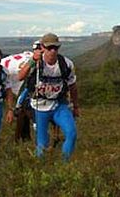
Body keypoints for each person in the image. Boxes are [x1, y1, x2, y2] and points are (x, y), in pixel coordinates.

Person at [17, 33, 78, 161]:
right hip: (40, 106)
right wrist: (32, 61)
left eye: (55, 48)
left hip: (59, 104)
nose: (52, 51)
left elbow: (73, 85)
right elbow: (20, 77)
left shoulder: (66, 64)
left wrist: (75, 106)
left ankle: (64, 165)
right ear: (43, 48)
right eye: (49, 48)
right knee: (42, 144)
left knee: (71, 133)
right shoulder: (35, 62)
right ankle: (41, 168)